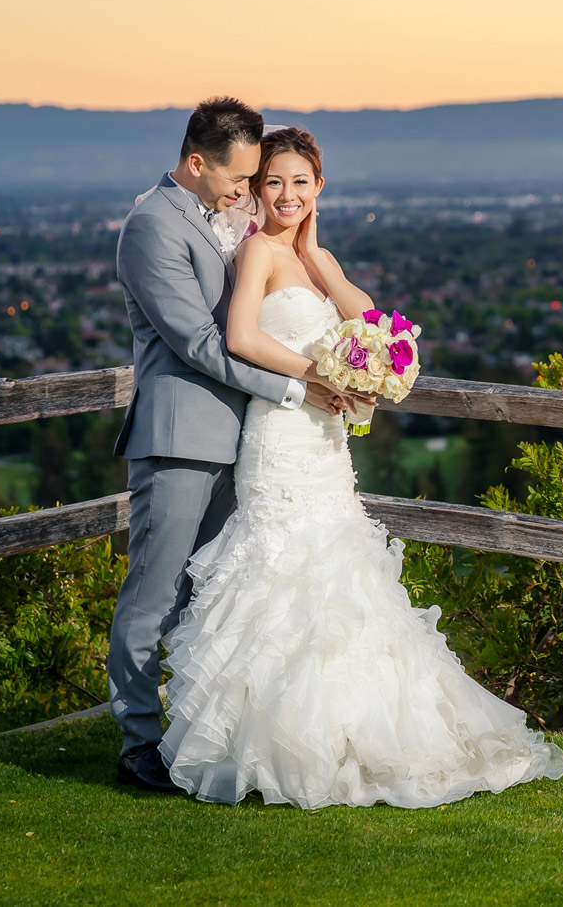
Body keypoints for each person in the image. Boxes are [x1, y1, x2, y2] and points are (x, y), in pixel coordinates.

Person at [155, 125, 563, 808]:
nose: (287, 194)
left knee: (341, 577)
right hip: (281, 432)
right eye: (274, 182)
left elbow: (375, 324)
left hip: (325, 442)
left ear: (320, 188)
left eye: (300, 182)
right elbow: (241, 336)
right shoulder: (255, 251)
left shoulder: (318, 256)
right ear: (256, 189)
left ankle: (348, 732)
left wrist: (318, 258)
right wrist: (316, 372)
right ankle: (266, 743)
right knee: (280, 568)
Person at [108, 98, 358, 794]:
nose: (250, 192)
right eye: (242, 179)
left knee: (211, 598)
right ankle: (136, 743)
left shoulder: (226, 219)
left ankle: (196, 734)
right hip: (183, 435)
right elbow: (198, 342)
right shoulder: (152, 226)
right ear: (197, 163)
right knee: (153, 597)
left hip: (246, 442)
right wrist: (302, 385)